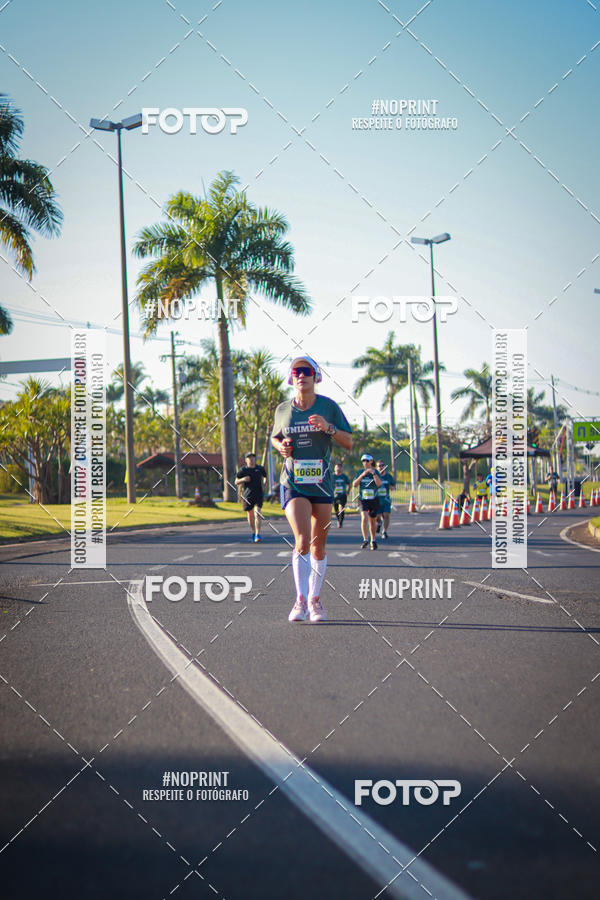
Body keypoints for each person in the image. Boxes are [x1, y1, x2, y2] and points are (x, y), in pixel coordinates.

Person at [271, 355, 353, 623]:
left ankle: (315, 600)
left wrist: (328, 428)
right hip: (293, 483)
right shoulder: (283, 409)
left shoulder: (329, 407)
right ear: (291, 377)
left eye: (306, 371)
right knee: (302, 540)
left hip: (322, 484)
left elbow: (349, 442)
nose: (301, 375)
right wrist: (280, 447)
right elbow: (274, 436)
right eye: (296, 371)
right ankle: (300, 601)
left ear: (315, 376)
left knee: (319, 547)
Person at [235, 452, 267, 542]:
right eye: (249, 458)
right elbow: (236, 481)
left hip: (258, 494)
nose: (251, 460)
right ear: (246, 460)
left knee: (258, 513)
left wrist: (265, 484)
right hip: (247, 495)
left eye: (253, 458)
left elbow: (265, 476)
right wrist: (243, 479)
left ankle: (258, 534)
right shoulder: (243, 470)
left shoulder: (259, 468)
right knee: (250, 514)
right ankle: (253, 532)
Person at [353, 454, 382, 550]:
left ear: (371, 461)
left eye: (366, 460)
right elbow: (354, 484)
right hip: (363, 499)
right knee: (364, 517)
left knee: (372, 520)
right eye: (363, 461)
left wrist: (373, 474)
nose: (364, 462)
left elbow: (379, 484)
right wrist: (362, 475)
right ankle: (365, 539)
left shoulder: (376, 472)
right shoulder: (360, 472)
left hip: (373, 499)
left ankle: (372, 540)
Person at [375, 459, 395, 539]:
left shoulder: (388, 476)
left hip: (386, 499)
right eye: (379, 466)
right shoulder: (375, 476)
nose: (381, 467)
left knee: (386, 515)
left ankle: (384, 531)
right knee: (377, 517)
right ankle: (379, 524)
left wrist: (390, 487)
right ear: (377, 467)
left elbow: (393, 487)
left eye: (382, 465)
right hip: (377, 499)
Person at [333, 463, 351, 527]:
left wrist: (347, 491)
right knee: (336, 510)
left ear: (341, 468)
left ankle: (340, 521)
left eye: (339, 467)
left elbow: (349, 484)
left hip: (342, 495)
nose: (338, 469)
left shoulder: (344, 476)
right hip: (334, 495)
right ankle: (338, 520)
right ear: (334, 468)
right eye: (337, 467)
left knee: (341, 508)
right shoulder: (332, 476)